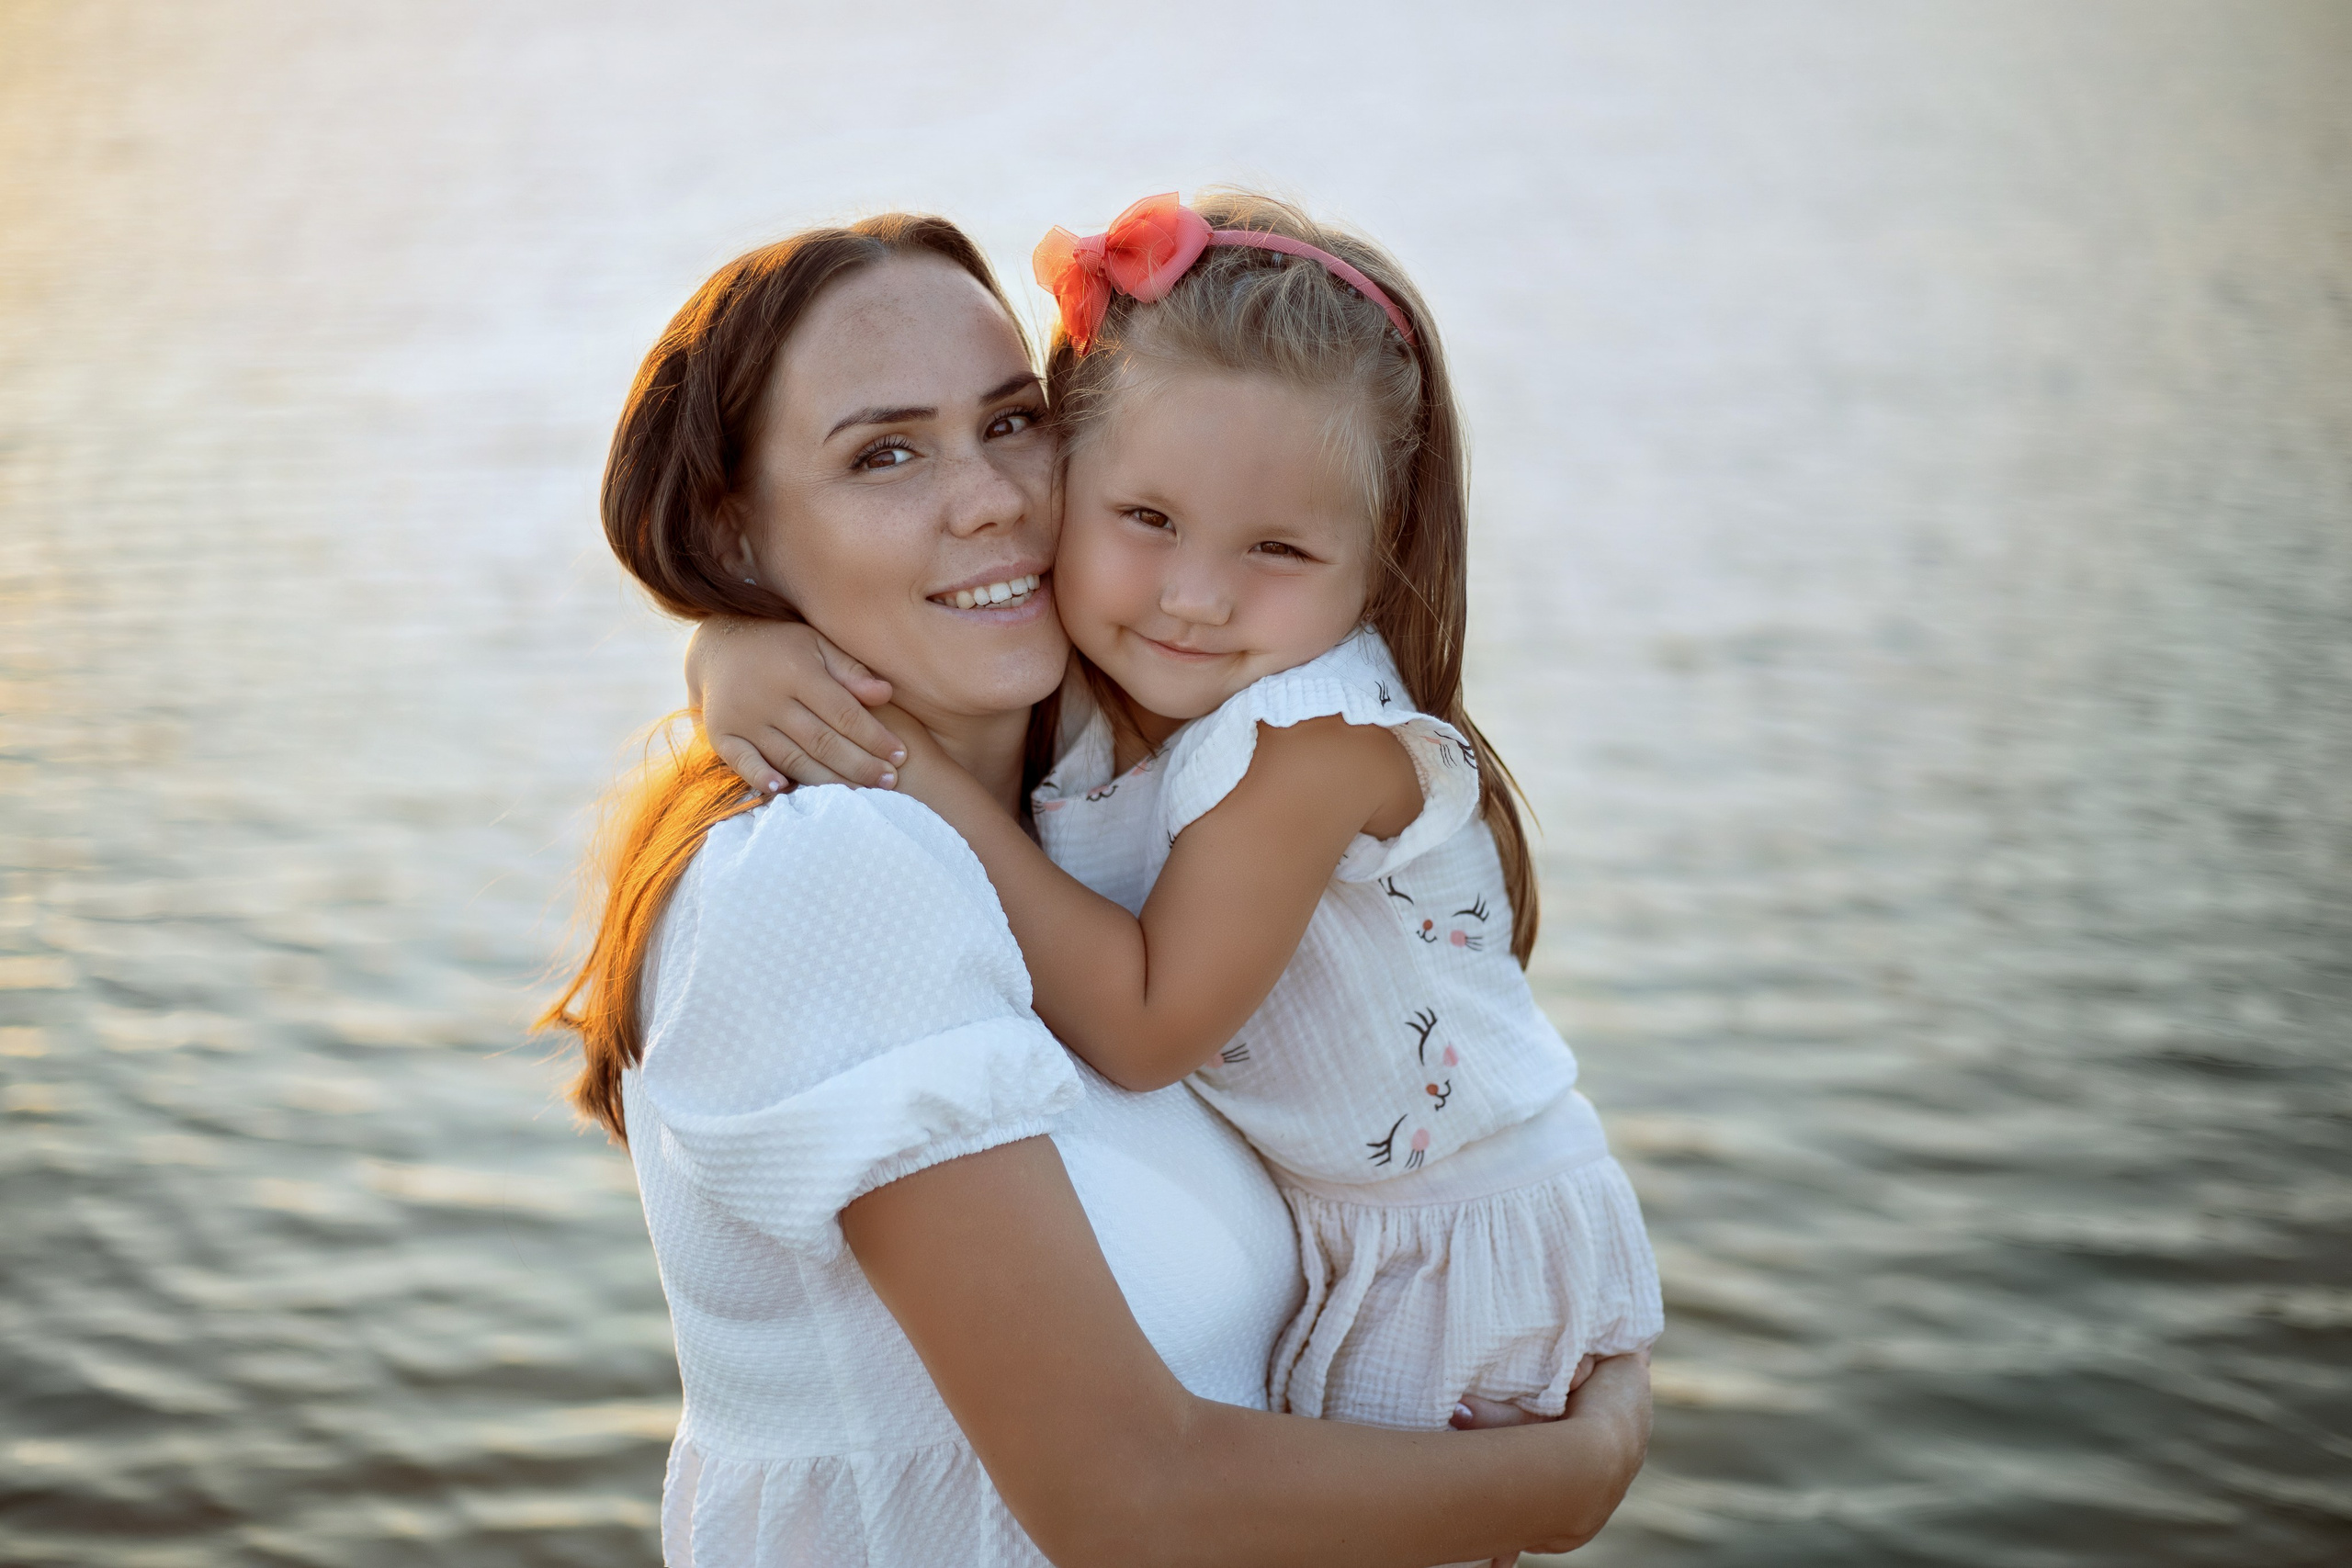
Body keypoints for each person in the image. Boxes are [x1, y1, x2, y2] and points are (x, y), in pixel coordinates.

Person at [543, 210, 1651, 1567]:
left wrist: (744, 648)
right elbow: (1125, 1499)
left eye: (1012, 422)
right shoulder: (827, 868)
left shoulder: (1107, 765)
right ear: (735, 529)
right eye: (885, 452)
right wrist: (1570, 1481)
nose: (992, 500)